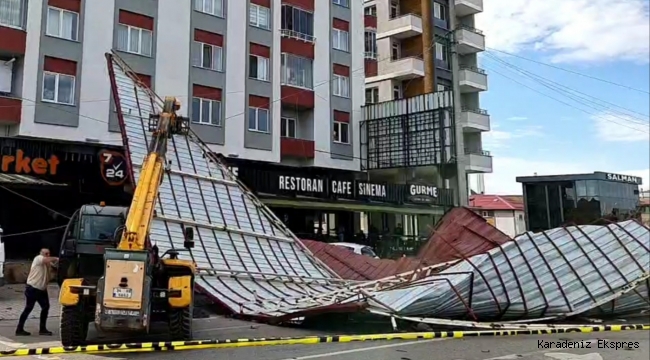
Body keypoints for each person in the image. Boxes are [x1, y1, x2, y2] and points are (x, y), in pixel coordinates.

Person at [15, 249, 58, 336]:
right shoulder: (38, 258)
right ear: (41, 253)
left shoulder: (47, 263)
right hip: (33, 288)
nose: (48, 255)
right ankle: (19, 329)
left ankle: (42, 329)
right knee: (28, 308)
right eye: (46, 253)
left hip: (41, 289)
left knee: (45, 307)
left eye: (49, 253)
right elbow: (46, 259)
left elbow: (53, 269)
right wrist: (57, 258)